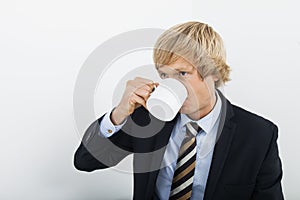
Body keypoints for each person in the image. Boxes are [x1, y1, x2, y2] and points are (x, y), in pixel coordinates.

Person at [74, 21, 284, 200]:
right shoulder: (147, 118)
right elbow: (84, 161)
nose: (173, 85)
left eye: (183, 73)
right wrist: (119, 113)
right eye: (165, 75)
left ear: (215, 73)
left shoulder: (258, 135)